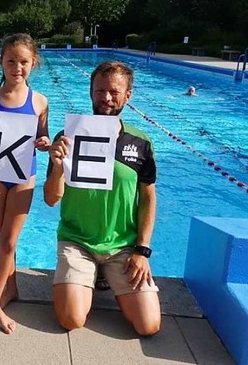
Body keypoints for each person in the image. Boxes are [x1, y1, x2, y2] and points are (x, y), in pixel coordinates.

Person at [44, 61, 161, 336]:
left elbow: (148, 199)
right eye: (99, 91)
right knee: (71, 320)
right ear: (90, 92)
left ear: (128, 96)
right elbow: (51, 199)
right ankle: (86, 277)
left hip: (122, 246)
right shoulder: (68, 137)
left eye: (114, 92)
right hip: (77, 241)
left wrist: (142, 251)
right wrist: (58, 166)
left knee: (149, 325)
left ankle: (103, 277)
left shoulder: (140, 142)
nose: (106, 98)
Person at [0, 33, 49, 334]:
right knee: (4, 236)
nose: (17, 67)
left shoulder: (40, 101)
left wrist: (44, 142)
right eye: (11, 61)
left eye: (24, 62)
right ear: (1, 62)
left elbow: (44, 138)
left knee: (9, 241)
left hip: (24, 175)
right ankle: (11, 288)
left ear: (33, 63)